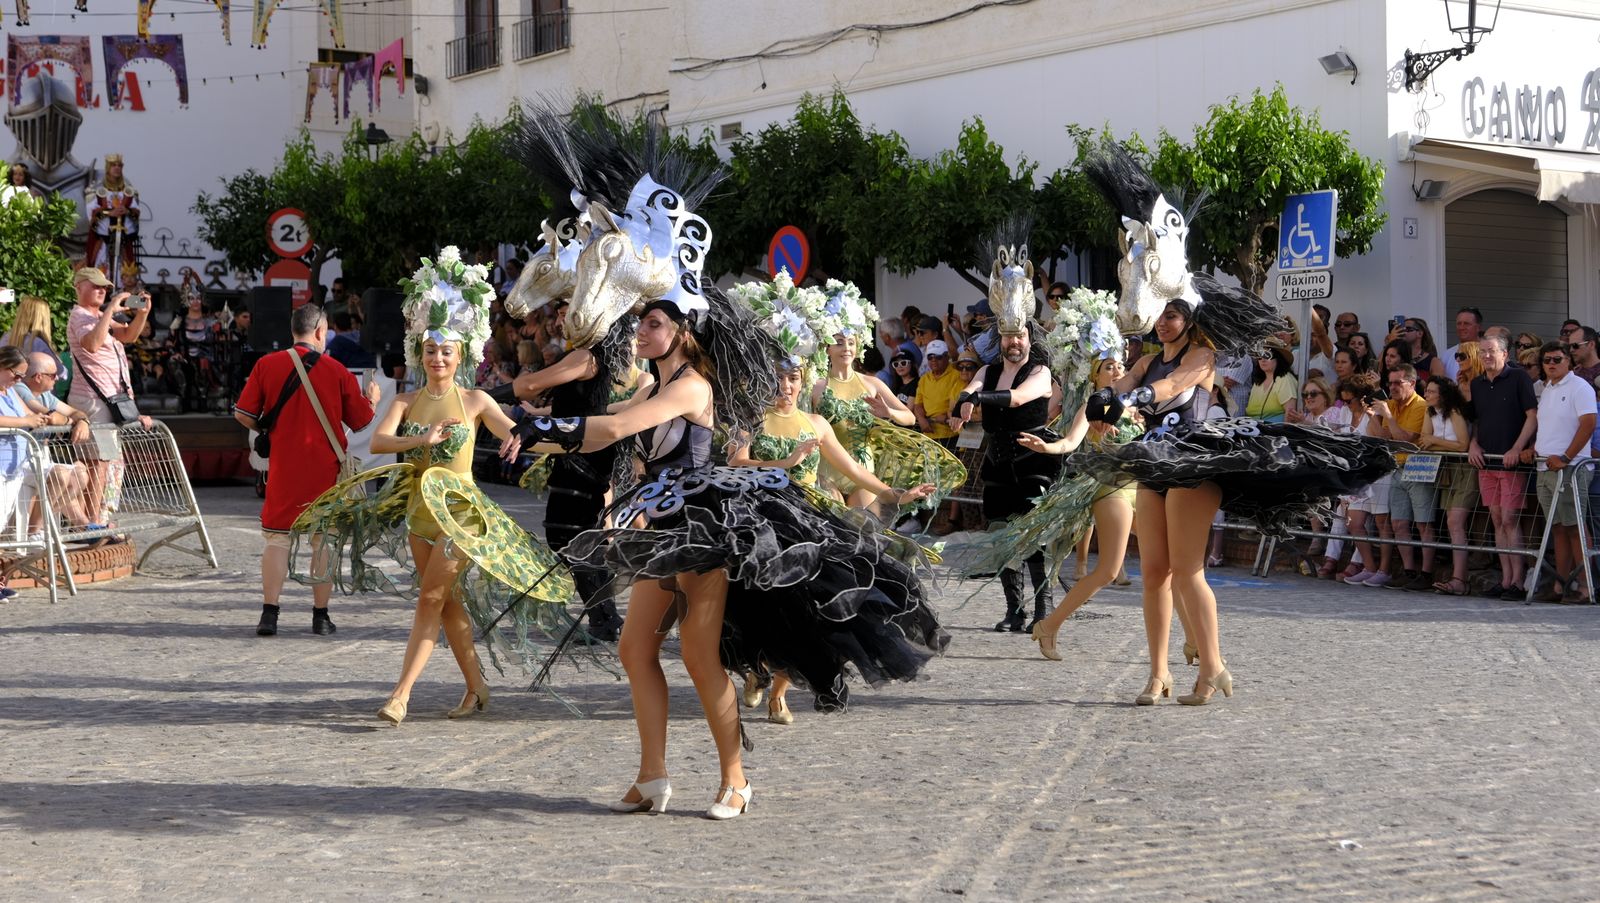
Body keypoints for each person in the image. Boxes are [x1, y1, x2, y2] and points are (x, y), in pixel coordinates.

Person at [511, 107, 944, 819]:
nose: (640, 330)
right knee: (632, 646)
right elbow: (623, 439)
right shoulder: (655, 379)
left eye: (652, 322)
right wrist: (560, 440)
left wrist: (542, 430)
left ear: (681, 328)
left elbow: (617, 425)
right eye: (640, 320)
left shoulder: (689, 385)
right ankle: (653, 774)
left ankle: (736, 778)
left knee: (699, 658)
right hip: (664, 528)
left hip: (706, 531)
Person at [367, 254, 524, 723]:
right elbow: (379, 441)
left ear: (462, 356)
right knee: (447, 601)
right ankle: (477, 689)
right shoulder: (405, 401)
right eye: (431, 349)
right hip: (420, 512)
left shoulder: (476, 400)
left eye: (446, 350)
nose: (438, 358)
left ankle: (401, 694)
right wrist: (422, 439)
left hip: (460, 512)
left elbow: (512, 431)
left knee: (431, 598)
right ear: (420, 354)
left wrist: (541, 440)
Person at [233, 305, 379, 636]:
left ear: (293, 330)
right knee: (323, 541)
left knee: (277, 539)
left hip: (284, 467)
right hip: (325, 468)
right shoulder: (336, 369)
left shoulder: (266, 364)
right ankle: (320, 616)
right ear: (319, 332)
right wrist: (371, 399)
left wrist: (267, 428)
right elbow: (362, 421)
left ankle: (269, 615)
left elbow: (242, 414)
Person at [1468, 334, 1538, 599]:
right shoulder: (1477, 384)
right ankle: (1505, 579)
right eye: (1483, 351)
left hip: (1511, 462)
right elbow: (1477, 420)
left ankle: (1518, 581)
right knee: (1497, 519)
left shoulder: (1519, 378)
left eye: (1492, 351)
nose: (1486, 355)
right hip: (1487, 462)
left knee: (1510, 519)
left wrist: (1517, 449)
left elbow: (1532, 417)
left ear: (1504, 354)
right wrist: (1473, 445)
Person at [1526, 341, 1596, 603]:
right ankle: (1561, 585)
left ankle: (1586, 586)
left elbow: (1588, 424)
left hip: (1570, 468)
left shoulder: (1580, 387)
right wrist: (1534, 447)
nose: (1551, 364)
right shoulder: (1547, 389)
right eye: (1546, 360)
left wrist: (1566, 457)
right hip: (1545, 466)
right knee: (1557, 528)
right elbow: (1552, 428)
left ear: (1569, 361)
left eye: (1557, 359)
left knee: (1574, 527)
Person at [1369, 364, 1435, 591]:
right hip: (1396, 467)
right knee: (1398, 523)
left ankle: (1426, 573)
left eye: (1398, 383)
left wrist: (1388, 417)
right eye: (1391, 383)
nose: (1393, 387)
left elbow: (1405, 440)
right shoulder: (1390, 405)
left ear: (1412, 383)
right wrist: (1376, 418)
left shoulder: (1421, 406)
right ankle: (1408, 571)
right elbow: (1384, 437)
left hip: (1417, 466)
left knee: (1423, 523)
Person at [1417, 379, 1475, 596]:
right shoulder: (1430, 411)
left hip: (1463, 468)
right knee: (1451, 523)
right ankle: (1457, 576)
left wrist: (1434, 440)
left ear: (1443, 394)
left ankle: (1460, 577)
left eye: (1432, 391)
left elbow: (1462, 444)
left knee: (1455, 521)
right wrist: (1431, 439)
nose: (1427, 394)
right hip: (1446, 468)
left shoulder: (1455, 411)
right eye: (1427, 390)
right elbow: (1424, 439)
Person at [83, 154, 142, 290]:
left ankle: (124, 302)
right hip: (103, 241)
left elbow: (136, 213)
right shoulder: (97, 191)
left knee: (126, 271)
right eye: (113, 165)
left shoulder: (129, 192)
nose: (117, 168)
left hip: (123, 240)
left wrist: (127, 211)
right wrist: (110, 213)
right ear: (108, 168)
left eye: (119, 165)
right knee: (100, 271)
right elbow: (91, 215)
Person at [6, 295, 64, 387]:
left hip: (11, 392)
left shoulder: (6, 337)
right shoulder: (39, 344)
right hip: (37, 395)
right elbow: (61, 373)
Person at [1245, 339, 1297, 422]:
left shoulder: (1285, 379)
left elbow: (1290, 414)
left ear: (1279, 358)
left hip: (1275, 432)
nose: (1263, 359)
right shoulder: (1258, 382)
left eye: (1267, 355)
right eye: (1259, 355)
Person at [1442, 307, 1484, 380]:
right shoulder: (1447, 355)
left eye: (1466, 324)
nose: (1461, 327)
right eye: (1459, 324)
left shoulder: (1487, 353)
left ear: (1479, 327)